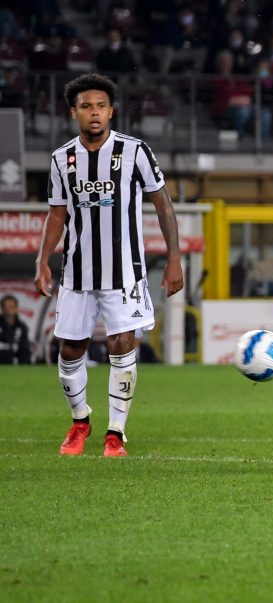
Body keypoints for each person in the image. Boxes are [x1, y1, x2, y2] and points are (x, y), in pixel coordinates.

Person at [34, 73, 183, 458]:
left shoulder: (135, 152)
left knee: (122, 343)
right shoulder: (61, 159)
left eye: (101, 106)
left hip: (125, 271)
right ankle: (80, 420)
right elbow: (56, 214)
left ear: (112, 111)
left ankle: (115, 433)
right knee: (71, 349)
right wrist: (42, 260)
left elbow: (163, 205)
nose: (95, 112)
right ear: (74, 112)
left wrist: (174, 258)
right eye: (86, 106)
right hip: (77, 271)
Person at [0, 294, 31, 365]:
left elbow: (25, 348)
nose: (8, 310)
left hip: (16, 363)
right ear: (1, 309)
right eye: (5, 307)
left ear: (16, 309)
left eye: (11, 307)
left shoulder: (22, 326)